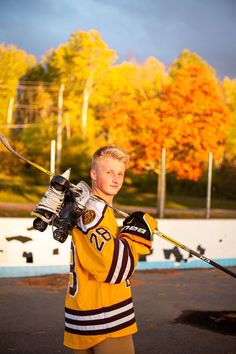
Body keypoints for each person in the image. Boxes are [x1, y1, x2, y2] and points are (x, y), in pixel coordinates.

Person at [63, 145, 157, 354]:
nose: (116, 178)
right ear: (93, 174)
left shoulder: (89, 207)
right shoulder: (95, 212)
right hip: (104, 315)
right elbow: (113, 267)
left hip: (84, 313)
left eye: (120, 173)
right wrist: (134, 236)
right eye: (109, 172)